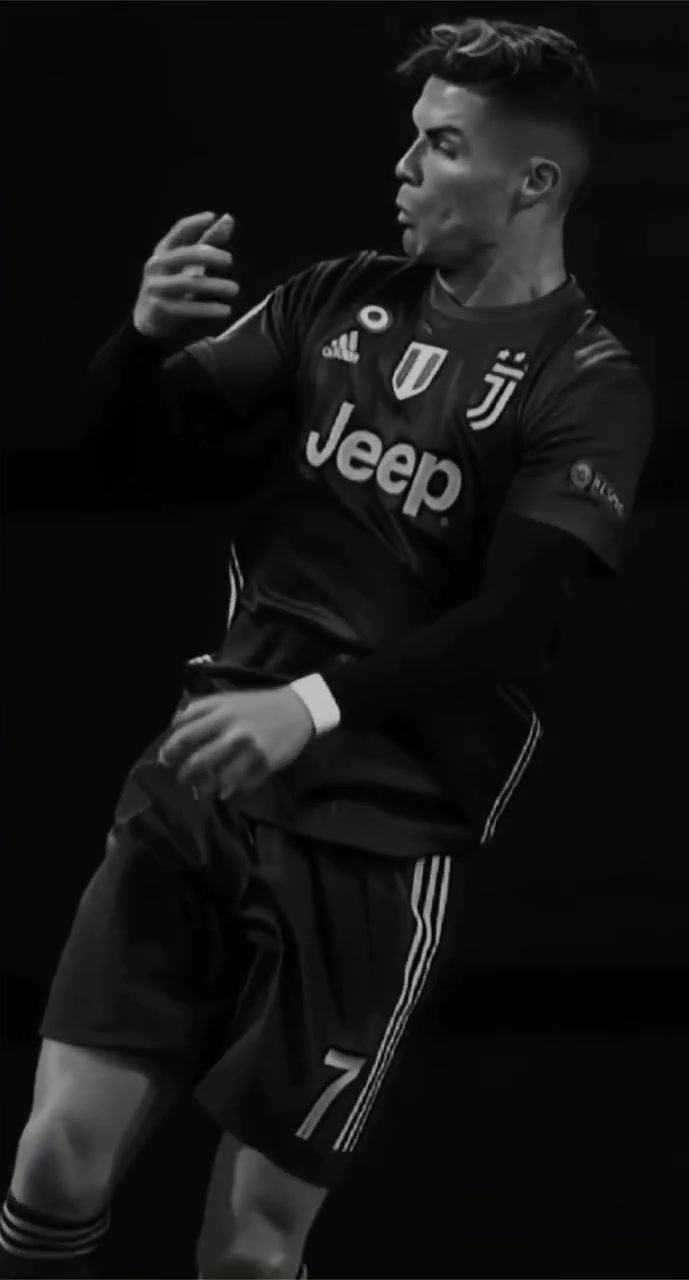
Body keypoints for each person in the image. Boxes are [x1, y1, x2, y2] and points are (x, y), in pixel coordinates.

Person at [0, 15, 654, 1280]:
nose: (402, 167)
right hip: (206, 779)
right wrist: (141, 342)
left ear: (534, 183)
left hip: (378, 836)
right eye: (412, 138)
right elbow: (126, 454)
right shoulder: (335, 298)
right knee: (55, 1159)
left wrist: (311, 704)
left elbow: (515, 621)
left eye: (442, 146)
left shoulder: (589, 380)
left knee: (249, 1251)